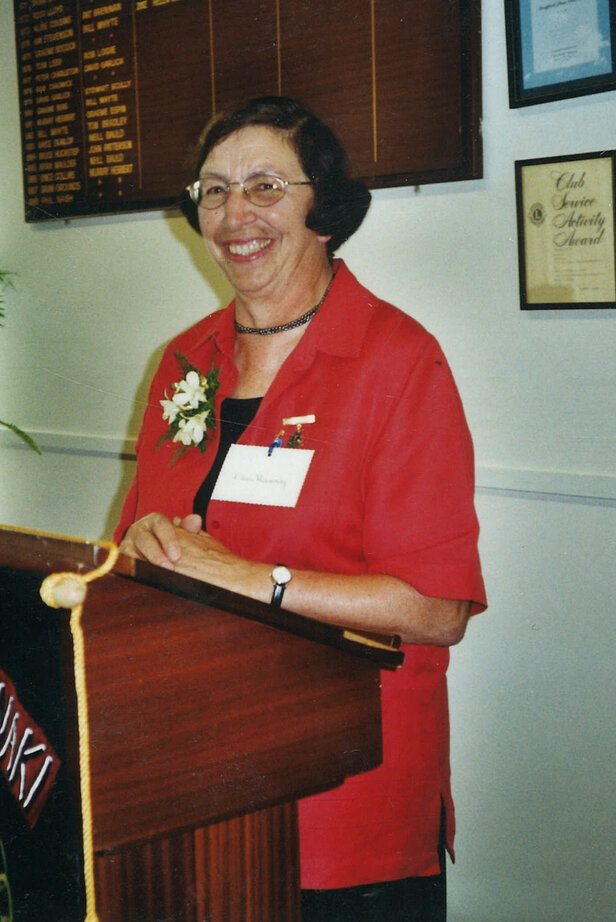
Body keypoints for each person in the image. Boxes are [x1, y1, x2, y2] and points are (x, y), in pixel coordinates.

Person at [115, 96, 486, 922]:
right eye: (213, 191)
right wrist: (142, 544)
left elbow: (435, 608)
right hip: (198, 785)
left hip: (344, 800)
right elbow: (145, 547)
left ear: (325, 209)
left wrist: (254, 579)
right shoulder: (185, 361)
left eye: (265, 186)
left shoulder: (399, 362)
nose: (234, 214)